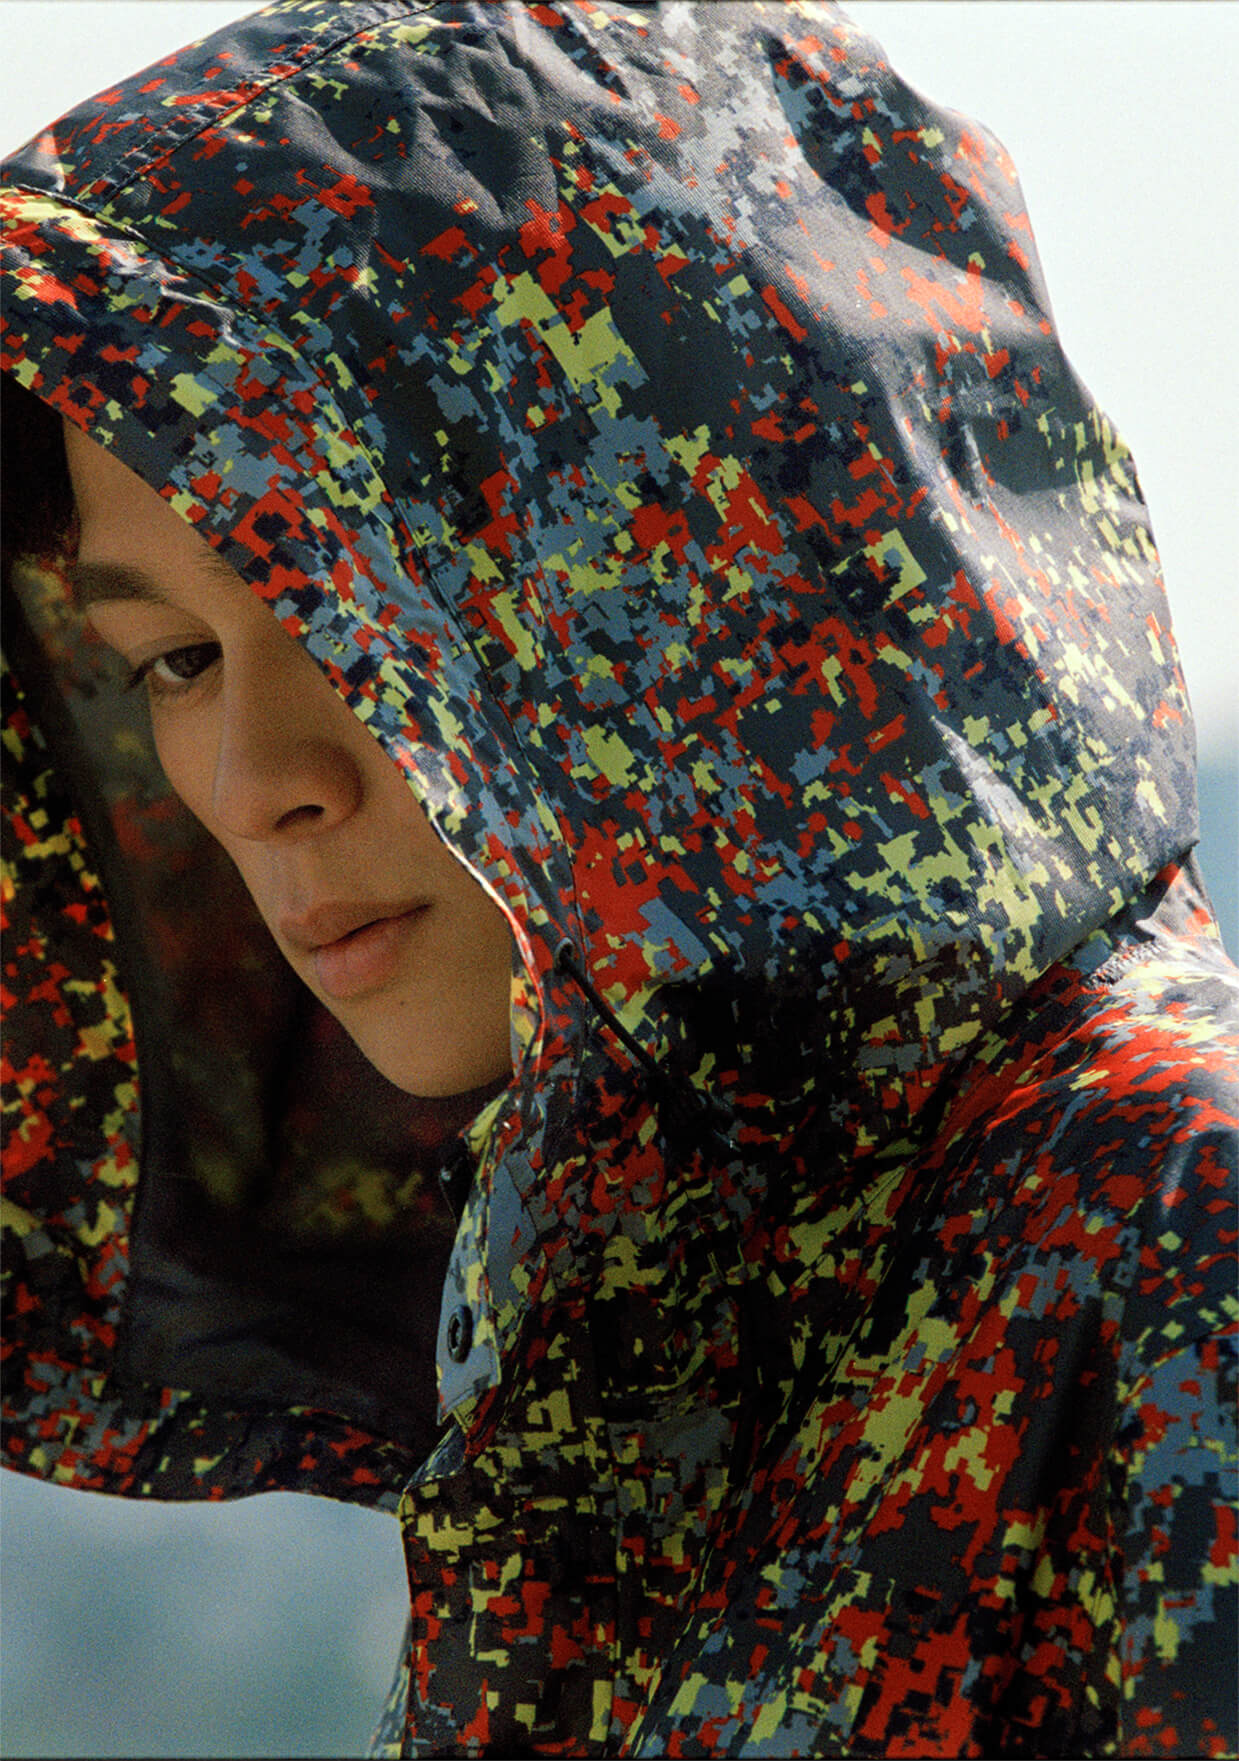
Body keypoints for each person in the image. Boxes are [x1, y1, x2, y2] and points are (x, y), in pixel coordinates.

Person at [2, 2, 1235, 1755]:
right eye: (175, 662)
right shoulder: (613, 1332)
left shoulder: (1176, 1220)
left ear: (699, 559)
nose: (259, 782)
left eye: (352, 617)